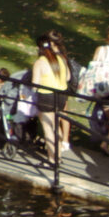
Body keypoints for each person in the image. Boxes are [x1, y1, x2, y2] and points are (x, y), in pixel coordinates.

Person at [31, 31, 74, 160]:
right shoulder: (62, 59)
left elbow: (35, 84)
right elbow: (68, 77)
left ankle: (52, 158)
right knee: (56, 125)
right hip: (61, 95)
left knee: (48, 128)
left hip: (46, 96)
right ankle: (58, 155)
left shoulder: (40, 62)